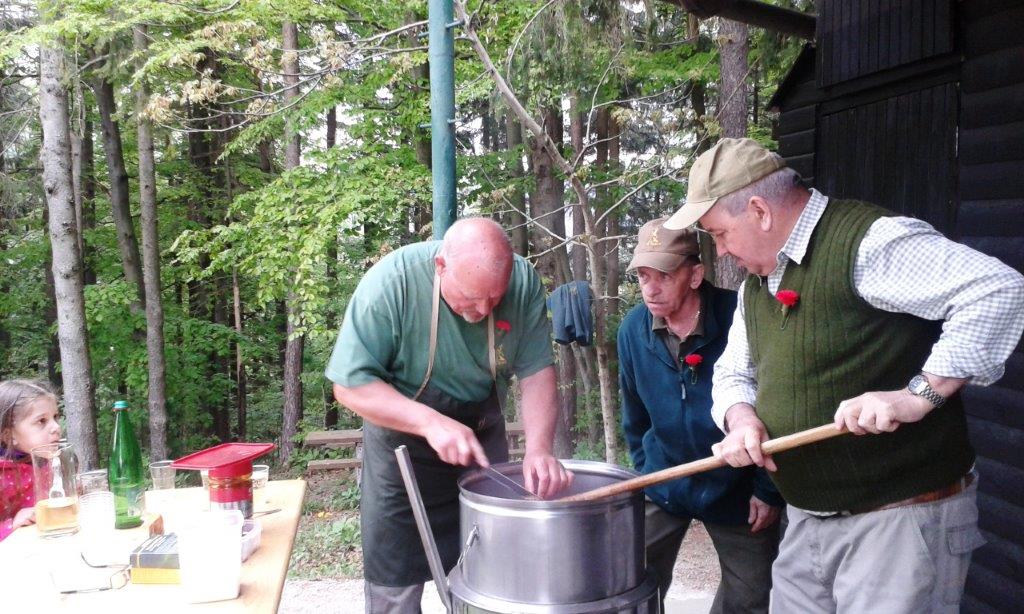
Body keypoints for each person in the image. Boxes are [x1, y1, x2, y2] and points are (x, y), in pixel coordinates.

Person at [661, 137, 1024, 612]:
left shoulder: (868, 243)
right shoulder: (757, 286)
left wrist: (919, 395)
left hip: (896, 521)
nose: (721, 251)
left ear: (759, 211)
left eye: (720, 234)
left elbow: (997, 289)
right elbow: (733, 372)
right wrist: (741, 418)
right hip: (806, 519)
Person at [326, 217, 573, 613]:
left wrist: (539, 448)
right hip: (402, 454)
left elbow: (536, 372)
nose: (484, 309)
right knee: (394, 585)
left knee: (490, 578)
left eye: (495, 298)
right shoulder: (392, 284)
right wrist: (430, 422)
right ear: (441, 266)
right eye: (473, 297)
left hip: (481, 444)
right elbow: (350, 386)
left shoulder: (523, 282)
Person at [618, 217, 783, 613]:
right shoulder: (632, 330)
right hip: (665, 478)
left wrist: (768, 490)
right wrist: (646, 472)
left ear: (694, 275)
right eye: (643, 276)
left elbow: (776, 405)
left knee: (751, 596)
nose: (650, 288)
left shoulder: (739, 315)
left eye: (663, 275)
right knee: (630, 583)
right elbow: (634, 416)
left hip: (738, 484)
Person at [0, 379, 62, 541]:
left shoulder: (45, 461)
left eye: (55, 417)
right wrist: (11, 525)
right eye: (42, 421)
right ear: (9, 435)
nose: (56, 427)